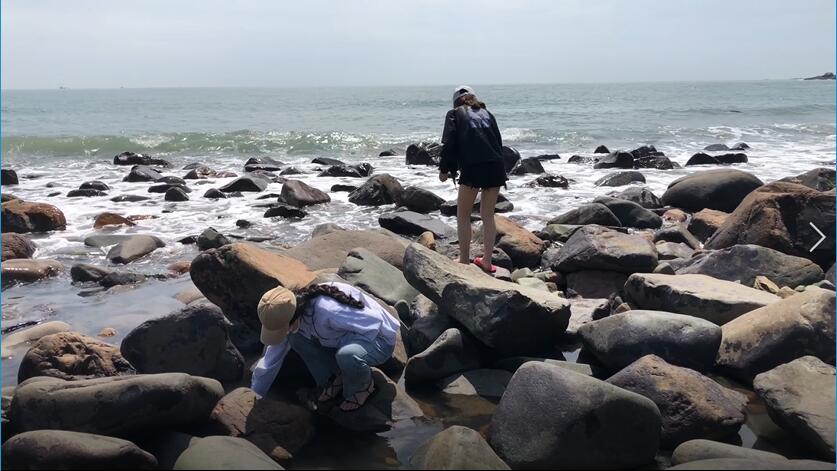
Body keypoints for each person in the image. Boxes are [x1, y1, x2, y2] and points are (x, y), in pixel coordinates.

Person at [250, 282, 400, 411]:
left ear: (293, 319)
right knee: (295, 338)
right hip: (339, 338)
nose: (284, 332)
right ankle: (331, 380)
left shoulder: (328, 311)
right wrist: (255, 394)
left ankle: (364, 387)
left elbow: (374, 323)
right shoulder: (292, 315)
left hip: (379, 339)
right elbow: (271, 359)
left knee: (347, 356)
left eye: (284, 328)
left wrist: (346, 361)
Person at [439, 85, 507, 273]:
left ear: (455, 102)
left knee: (463, 215)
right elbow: (498, 142)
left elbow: (448, 143)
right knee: (487, 215)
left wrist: (444, 170)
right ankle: (486, 261)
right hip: (495, 166)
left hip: (473, 167)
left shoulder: (454, 114)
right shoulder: (487, 113)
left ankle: (464, 260)